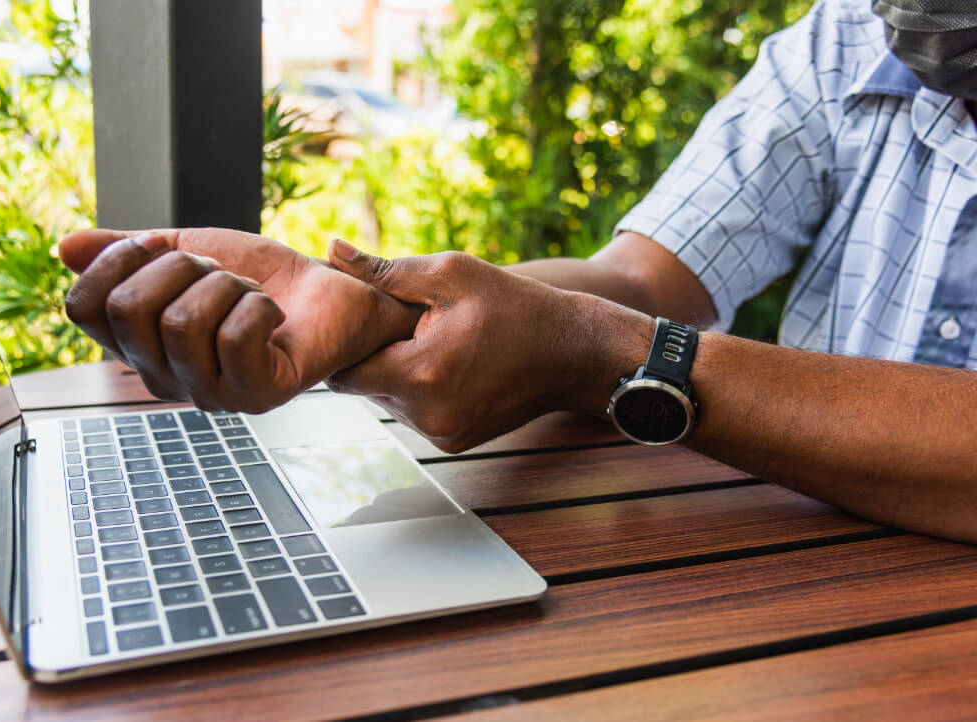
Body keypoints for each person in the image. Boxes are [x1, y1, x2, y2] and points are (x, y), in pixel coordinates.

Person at [59, 0, 977, 544]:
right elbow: (643, 283)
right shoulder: (844, 44)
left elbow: (616, 330)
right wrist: (386, 313)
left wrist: (608, 357)